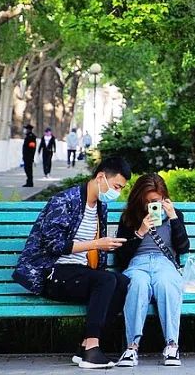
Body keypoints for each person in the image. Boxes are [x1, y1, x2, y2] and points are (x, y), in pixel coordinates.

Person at [12, 156, 132, 369]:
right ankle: (93, 350)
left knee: (122, 282)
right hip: (50, 272)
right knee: (105, 281)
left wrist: (104, 246)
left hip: (78, 273)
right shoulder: (65, 200)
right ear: (101, 177)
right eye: (116, 186)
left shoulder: (100, 207)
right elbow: (53, 245)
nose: (117, 193)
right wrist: (97, 244)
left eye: (121, 189)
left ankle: (85, 346)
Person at [114, 173, 189, 367]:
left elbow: (183, 248)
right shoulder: (129, 218)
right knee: (137, 284)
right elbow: (121, 257)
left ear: (164, 197)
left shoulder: (175, 215)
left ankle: (172, 345)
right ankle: (131, 348)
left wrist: (173, 218)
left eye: (156, 201)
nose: (151, 205)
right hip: (137, 264)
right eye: (147, 202)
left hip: (164, 263)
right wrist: (139, 232)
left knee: (167, 284)